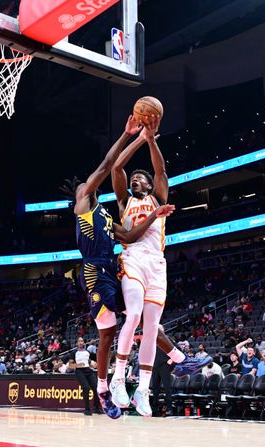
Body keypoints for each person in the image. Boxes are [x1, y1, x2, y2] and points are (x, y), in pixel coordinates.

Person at [70, 114, 206, 419]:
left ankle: (170, 363)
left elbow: (130, 232)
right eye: (84, 187)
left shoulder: (110, 217)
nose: (135, 180)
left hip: (141, 264)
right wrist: (137, 137)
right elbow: (112, 166)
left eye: (139, 178)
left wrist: (149, 142)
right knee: (115, 328)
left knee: (148, 323)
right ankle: (109, 386)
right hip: (103, 270)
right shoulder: (107, 204)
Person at [70, 338, 102, 415]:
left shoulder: (87, 352)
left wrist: (94, 365)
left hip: (88, 371)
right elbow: (70, 365)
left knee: (96, 387)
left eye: (82, 341)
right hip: (79, 371)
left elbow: (89, 362)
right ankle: (87, 409)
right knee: (86, 388)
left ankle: (97, 408)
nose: (81, 342)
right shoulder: (74, 352)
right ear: (76, 344)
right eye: (79, 341)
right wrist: (78, 365)